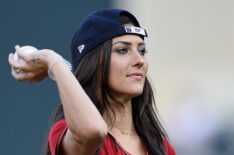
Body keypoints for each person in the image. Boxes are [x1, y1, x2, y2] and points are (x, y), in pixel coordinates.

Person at [8, 9, 175, 155]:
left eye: (142, 51)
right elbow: (93, 131)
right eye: (123, 50)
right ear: (94, 63)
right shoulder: (68, 133)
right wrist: (51, 60)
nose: (139, 60)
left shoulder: (162, 148)